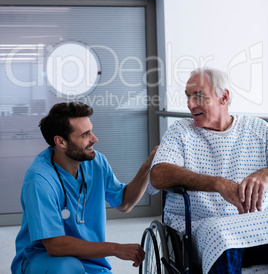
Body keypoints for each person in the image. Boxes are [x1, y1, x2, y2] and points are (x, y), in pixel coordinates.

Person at [11, 102, 157, 274]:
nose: (94, 138)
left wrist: (148, 165)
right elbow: (55, 246)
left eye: (91, 131)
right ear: (60, 142)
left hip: (90, 262)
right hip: (44, 260)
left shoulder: (97, 162)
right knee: (68, 267)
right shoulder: (39, 179)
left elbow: (125, 203)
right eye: (85, 134)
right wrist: (116, 249)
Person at [149, 67, 268, 274]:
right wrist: (217, 183)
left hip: (254, 224)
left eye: (199, 96)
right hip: (198, 225)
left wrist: (265, 173)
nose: (190, 104)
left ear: (224, 97)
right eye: (188, 97)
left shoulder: (258, 129)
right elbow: (158, 174)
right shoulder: (181, 131)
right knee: (221, 236)